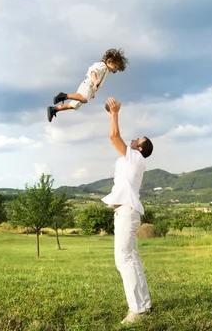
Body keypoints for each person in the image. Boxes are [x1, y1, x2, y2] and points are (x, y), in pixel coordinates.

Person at [101, 96, 154, 325]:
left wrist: (115, 114)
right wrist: (110, 115)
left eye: (137, 139)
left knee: (124, 260)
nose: (132, 139)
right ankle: (144, 305)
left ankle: (137, 310)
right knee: (132, 259)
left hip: (126, 213)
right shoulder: (131, 159)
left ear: (140, 148)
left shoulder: (134, 157)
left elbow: (114, 137)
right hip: (127, 212)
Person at [47, 49, 128, 122]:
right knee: (84, 99)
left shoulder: (106, 71)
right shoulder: (102, 65)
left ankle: (54, 109)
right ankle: (64, 96)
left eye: (116, 69)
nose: (114, 70)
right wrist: (95, 81)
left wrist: (92, 93)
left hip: (90, 87)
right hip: (88, 83)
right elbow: (93, 71)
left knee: (73, 105)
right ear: (110, 61)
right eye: (115, 67)